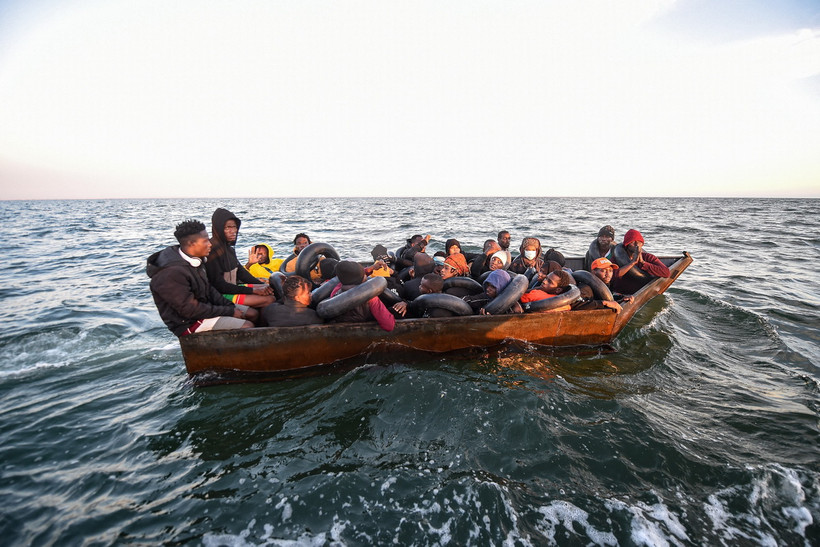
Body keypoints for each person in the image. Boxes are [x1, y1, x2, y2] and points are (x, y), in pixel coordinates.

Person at [147, 219, 255, 336]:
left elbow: (209, 289)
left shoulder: (195, 260)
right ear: (191, 244)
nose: (210, 244)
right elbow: (189, 310)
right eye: (205, 241)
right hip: (188, 323)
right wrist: (229, 311)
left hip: (205, 308)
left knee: (252, 313)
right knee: (248, 326)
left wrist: (229, 306)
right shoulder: (170, 273)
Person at [206, 208, 276, 308]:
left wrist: (261, 285)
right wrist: (253, 290)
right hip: (221, 294)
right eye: (227, 228)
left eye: (234, 227)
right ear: (218, 229)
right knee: (270, 300)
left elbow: (241, 273)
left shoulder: (229, 249)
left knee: (271, 290)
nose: (233, 231)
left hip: (233, 288)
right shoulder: (211, 251)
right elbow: (220, 285)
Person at [328, 261, 395, 331]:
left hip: (341, 326)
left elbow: (351, 277)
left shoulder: (336, 290)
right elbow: (389, 326)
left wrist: (371, 268)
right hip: (362, 328)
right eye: (364, 275)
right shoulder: (370, 297)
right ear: (363, 279)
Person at [612, 229, 671, 294]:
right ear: (627, 244)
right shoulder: (617, 258)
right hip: (621, 293)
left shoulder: (648, 257)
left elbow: (666, 272)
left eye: (639, 242)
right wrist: (632, 263)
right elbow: (612, 275)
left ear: (642, 244)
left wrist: (643, 263)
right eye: (633, 242)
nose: (637, 244)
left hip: (638, 292)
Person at [259, 275, 323, 327]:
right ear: (297, 298)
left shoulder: (270, 310)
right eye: (308, 293)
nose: (310, 295)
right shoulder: (313, 316)